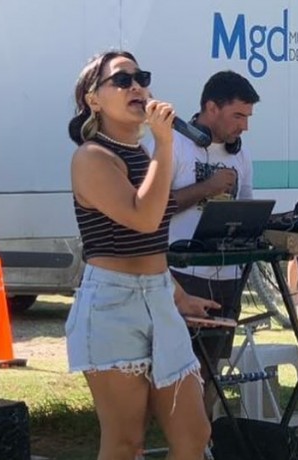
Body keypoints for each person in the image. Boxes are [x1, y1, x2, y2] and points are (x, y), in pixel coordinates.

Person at [66, 50, 218, 459]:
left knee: (193, 434)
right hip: (112, 303)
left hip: (157, 297)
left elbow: (150, 244)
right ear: (93, 100)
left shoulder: (142, 155)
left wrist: (177, 294)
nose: (136, 86)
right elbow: (145, 219)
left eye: (141, 78)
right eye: (122, 80)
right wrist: (165, 143)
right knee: (125, 442)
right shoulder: (91, 157)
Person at [149, 70, 260, 417]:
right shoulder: (172, 145)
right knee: (177, 370)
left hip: (227, 278)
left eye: (248, 117)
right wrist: (207, 188)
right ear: (211, 107)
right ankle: (178, 436)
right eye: (238, 115)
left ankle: (202, 439)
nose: (244, 126)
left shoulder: (240, 155)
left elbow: (246, 209)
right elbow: (150, 208)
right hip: (182, 277)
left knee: (210, 371)